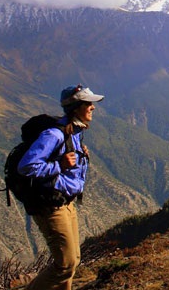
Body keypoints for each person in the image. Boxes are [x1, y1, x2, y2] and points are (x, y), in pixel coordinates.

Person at [17, 84, 104, 290]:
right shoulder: (54, 134)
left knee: (73, 260)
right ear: (76, 108)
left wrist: (80, 155)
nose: (93, 107)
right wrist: (60, 165)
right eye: (88, 104)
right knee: (65, 264)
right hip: (51, 206)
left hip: (66, 202)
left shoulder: (73, 132)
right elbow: (27, 166)